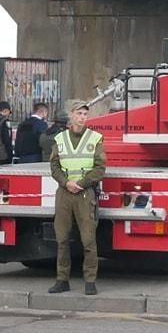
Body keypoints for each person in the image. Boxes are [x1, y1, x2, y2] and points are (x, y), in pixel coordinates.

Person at [48, 104, 105, 295]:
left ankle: (90, 281)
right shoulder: (60, 138)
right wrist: (66, 183)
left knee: (88, 240)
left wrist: (81, 183)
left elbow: (100, 168)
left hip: (84, 192)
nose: (82, 117)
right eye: (79, 114)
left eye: (85, 114)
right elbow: (54, 166)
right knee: (62, 239)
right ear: (71, 115)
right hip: (64, 193)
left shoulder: (94, 138)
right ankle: (62, 279)